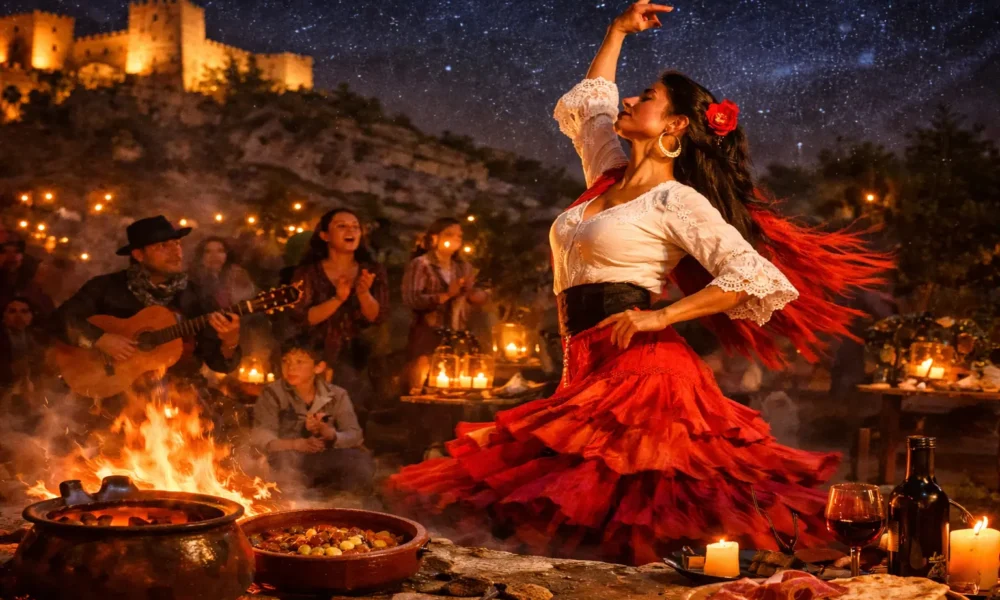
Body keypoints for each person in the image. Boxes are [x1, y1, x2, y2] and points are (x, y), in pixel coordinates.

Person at [387, 2, 892, 565]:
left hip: (645, 376)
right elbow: (594, 100)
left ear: (675, 125)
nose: (630, 99)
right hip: (587, 366)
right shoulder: (606, 175)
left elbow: (751, 275)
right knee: (588, 525)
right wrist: (616, 31)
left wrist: (661, 316)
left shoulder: (677, 199)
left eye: (646, 97)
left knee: (640, 526)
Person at [55, 216, 242, 386]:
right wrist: (99, 339)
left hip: (181, 393)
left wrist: (230, 341)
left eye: (177, 243)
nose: (175, 251)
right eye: (162, 246)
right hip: (117, 393)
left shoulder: (195, 294)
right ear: (138, 255)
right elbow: (61, 319)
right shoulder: (106, 287)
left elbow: (219, 364)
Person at [290, 208, 388, 422]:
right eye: (341, 226)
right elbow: (303, 318)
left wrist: (363, 294)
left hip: (357, 355)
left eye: (355, 227)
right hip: (314, 353)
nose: (350, 230)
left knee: (352, 417)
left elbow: (377, 317)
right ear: (324, 235)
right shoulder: (308, 272)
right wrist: (337, 299)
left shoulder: (371, 271)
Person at [251, 339, 374, 493]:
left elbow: (355, 434)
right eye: (286, 361)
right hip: (286, 459)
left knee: (360, 463)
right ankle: (292, 505)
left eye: (299, 362)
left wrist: (330, 435)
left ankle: (346, 505)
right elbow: (262, 435)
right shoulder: (272, 393)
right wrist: (295, 444)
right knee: (282, 463)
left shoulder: (337, 394)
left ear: (318, 367)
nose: (291, 368)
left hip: (323, 456)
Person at [402, 218, 490, 389]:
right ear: (434, 238)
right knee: (423, 382)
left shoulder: (463, 267)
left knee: (457, 383)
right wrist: (446, 295)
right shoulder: (421, 265)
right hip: (428, 334)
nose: (456, 239)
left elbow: (481, 298)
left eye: (459, 235)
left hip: (458, 335)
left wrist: (472, 292)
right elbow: (412, 299)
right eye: (449, 234)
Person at [190, 236, 256, 310]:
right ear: (201, 256)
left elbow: (249, 302)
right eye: (208, 251)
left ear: (227, 254)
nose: (214, 256)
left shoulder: (238, 274)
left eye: (220, 251)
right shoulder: (193, 280)